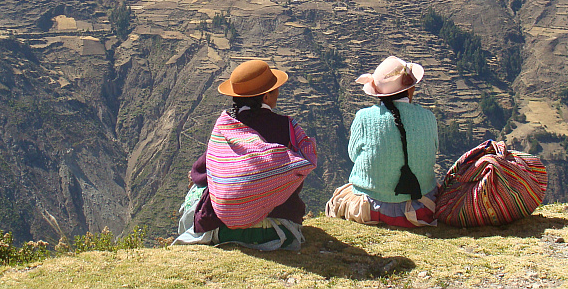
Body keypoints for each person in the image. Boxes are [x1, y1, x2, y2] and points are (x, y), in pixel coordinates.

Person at [173, 59, 317, 250]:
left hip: (220, 228)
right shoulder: (285, 126)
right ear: (266, 97)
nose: (278, 93)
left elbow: (200, 172)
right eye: (275, 89)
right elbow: (298, 169)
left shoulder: (225, 126)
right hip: (275, 230)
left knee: (197, 190)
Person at [325, 56, 438, 227]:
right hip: (422, 209)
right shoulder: (428, 118)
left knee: (338, 197)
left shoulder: (363, 118)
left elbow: (354, 155)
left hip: (372, 210)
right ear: (410, 89)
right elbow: (432, 150)